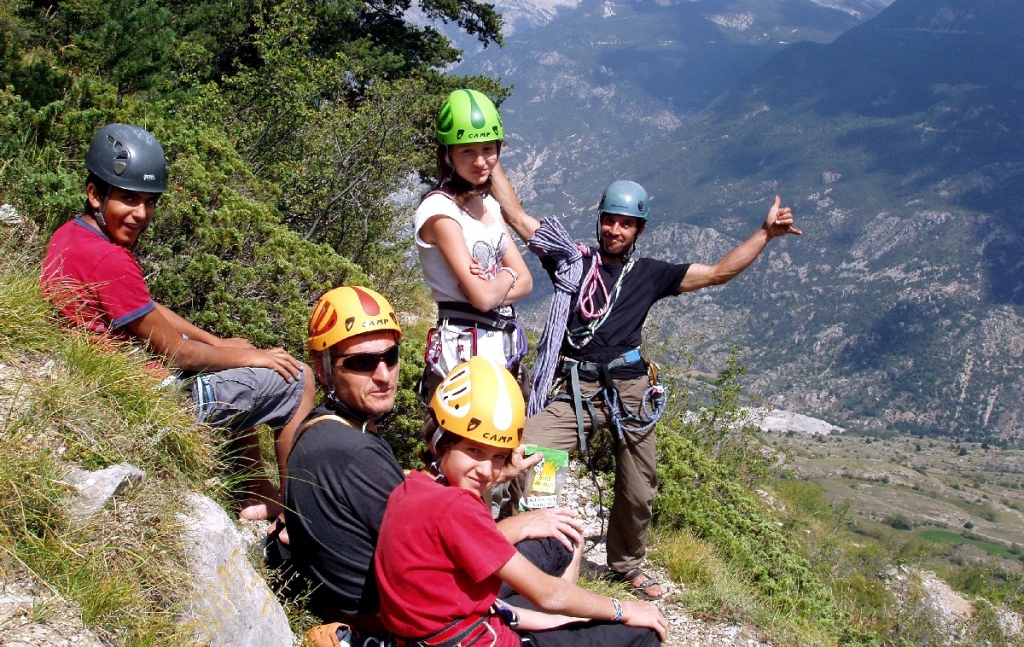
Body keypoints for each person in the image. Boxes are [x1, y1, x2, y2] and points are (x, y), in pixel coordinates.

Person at [488, 163, 801, 601]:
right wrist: (491, 157)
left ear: (639, 229)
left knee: (639, 486)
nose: (615, 229)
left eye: (626, 223)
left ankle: (626, 564)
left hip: (629, 389)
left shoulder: (649, 275)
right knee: (533, 449)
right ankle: (518, 539)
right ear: (599, 219)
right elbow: (517, 215)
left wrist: (764, 234)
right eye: (610, 220)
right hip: (575, 387)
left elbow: (717, 272)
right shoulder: (570, 259)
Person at [40, 123, 316, 521]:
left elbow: (148, 309)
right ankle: (294, 514)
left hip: (108, 381)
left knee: (236, 349)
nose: (140, 214)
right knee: (297, 380)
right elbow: (178, 352)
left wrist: (226, 345)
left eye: (149, 202)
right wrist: (249, 358)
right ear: (95, 194)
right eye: (128, 199)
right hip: (152, 399)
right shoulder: (111, 259)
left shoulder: (71, 236)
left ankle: (256, 491)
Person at [284, 285, 586, 639]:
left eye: (390, 356)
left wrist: (494, 475)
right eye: (361, 362)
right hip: (404, 617)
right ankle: (557, 629)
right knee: (559, 538)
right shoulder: (355, 454)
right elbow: (432, 547)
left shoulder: (320, 429)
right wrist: (522, 524)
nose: (383, 375)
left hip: (357, 603)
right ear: (324, 370)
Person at [375, 356, 666, 646]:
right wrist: (623, 609)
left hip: (431, 633)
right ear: (440, 442)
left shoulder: (413, 486)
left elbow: (457, 556)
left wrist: (561, 620)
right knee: (642, 634)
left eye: (498, 456)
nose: (487, 470)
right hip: (479, 639)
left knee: (558, 541)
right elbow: (548, 594)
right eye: (475, 451)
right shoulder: (457, 506)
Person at [414, 88, 533, 403]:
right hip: (461, 352)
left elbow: (527, 281)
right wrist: (507, 275)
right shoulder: (439, 211)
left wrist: (499, 280)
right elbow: (481, 297)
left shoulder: (489, 205)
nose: (481, 161)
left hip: (500, 348)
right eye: (467, 151)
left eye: (488, 149)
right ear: (448, 153)